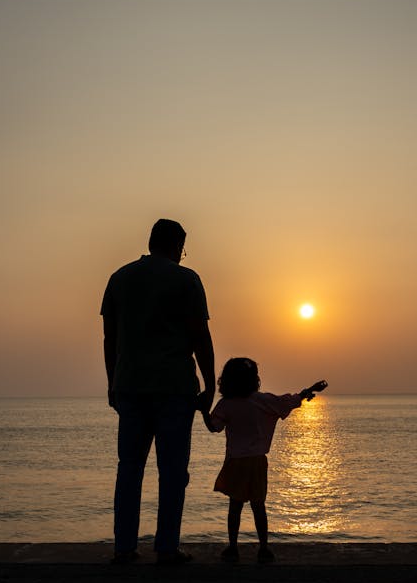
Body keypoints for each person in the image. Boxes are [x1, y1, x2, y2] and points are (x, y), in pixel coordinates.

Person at [101, 219, 215, 564]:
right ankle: (166, 547)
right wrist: (210, 384)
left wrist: (112, 382)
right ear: (177, 245)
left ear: (151, 241)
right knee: (173, 470)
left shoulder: (119, 278)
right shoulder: (186, 279)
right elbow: (199, 336)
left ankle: (124, 547)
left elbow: (110, 339)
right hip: (174, 386)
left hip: (131, 385)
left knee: (130, 468)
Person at [202, 357, 327, 563]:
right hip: (257, 462)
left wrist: (203, 411)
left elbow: (214, 427)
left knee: (235, 506)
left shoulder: (226, 404)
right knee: (258, 506)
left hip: (236, 462)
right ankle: (264, 549)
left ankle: (233, 548)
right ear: (254, 380)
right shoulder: (263, 401)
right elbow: (288, 401)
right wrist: (307, 392)